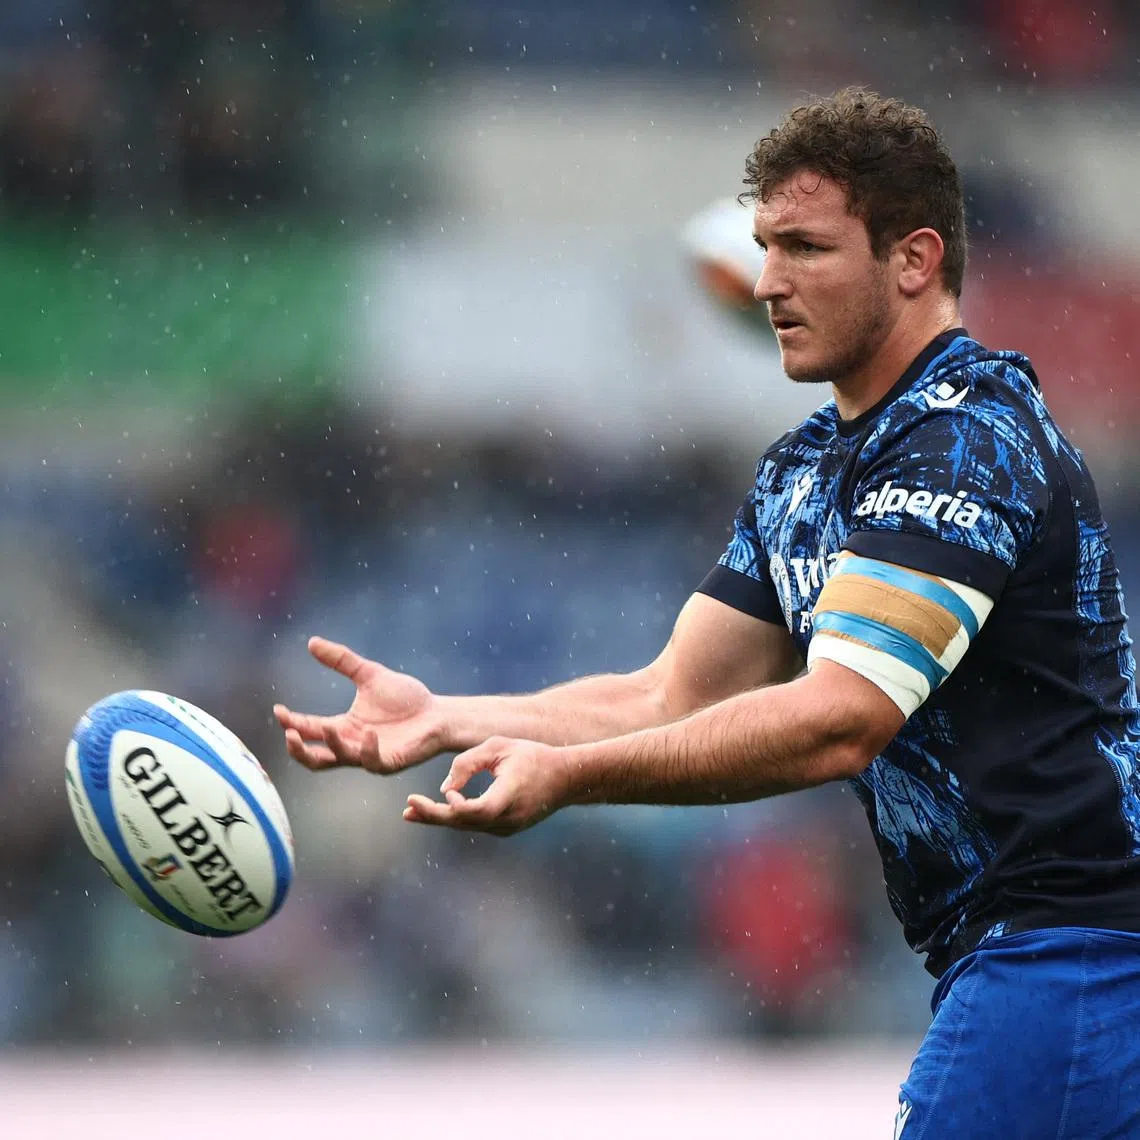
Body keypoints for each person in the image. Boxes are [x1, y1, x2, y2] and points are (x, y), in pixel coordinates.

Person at [273, 87, 1140, 1137]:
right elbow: (669, 694)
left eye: (807, 248)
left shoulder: (966, 441)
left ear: (914, 261)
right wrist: (453, 717)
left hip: (1081, 957)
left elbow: (840, 717)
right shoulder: (803, 474)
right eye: (766, 245)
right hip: (1016, 961)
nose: (766, 281)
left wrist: (571, 780)